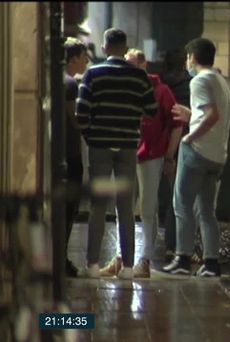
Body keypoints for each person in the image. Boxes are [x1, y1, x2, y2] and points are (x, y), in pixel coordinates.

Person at [76, 28, 158, 279]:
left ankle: (91, 265)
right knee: (125, 206)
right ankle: (129, 267)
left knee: (98, 205)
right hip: (127, 146)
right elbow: (152, 110)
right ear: (125, 48)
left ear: (104, 48)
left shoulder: (93, 74)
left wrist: (92, 137)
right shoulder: (139, 76)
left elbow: (81, 113)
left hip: (100, 145)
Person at [100, 48, 180, 278]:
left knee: (146, 207)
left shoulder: (160, 91)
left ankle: (142, 259)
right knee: (125, 206)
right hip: (129, 151)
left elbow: (176, 124)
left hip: (148, 153)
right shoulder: (132, 88)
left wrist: (168, 156)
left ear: (144, 66)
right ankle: (122, 257)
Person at [161, 38, 230, 277]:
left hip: (198, 152)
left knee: (181, 204)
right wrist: (191, 115)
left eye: (188, 57)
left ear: (192, 57)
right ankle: (211, 262)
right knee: (206, 210)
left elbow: (211, 116)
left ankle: (182, 258)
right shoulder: (220, 81)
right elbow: (215, 115)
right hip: (217, 155)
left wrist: (189, 138)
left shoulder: (199, 81)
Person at [159, 48, 191, 260]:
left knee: (169, 196)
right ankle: (180, 245)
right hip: (188, 141)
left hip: (163, 142)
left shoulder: (161, 85)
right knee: (184, 198)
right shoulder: (191, 84)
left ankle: (169, 244)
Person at [63, 37, 89, 277]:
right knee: (69, 207)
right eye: (83, 56)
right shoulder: (70, 84)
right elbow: (75, 120)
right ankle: (61, 258)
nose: (87, 60)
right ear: (73, 59)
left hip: (61, 153)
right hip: (70, 154)